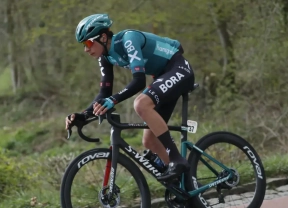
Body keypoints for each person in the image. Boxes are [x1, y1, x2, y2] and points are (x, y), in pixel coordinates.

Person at [65, 14, 195, 181]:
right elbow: (104, 93)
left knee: (141, 104)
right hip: (161, 76)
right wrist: (83, 115)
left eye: (88, 43)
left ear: (103, 37)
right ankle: (185, 186)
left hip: (179, 69)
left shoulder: (128, 39)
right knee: (149, 141)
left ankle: (177, 160)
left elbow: (139, 81)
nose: (86, 49)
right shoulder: (105, 57)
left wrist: (113, 100)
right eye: (84, 45)